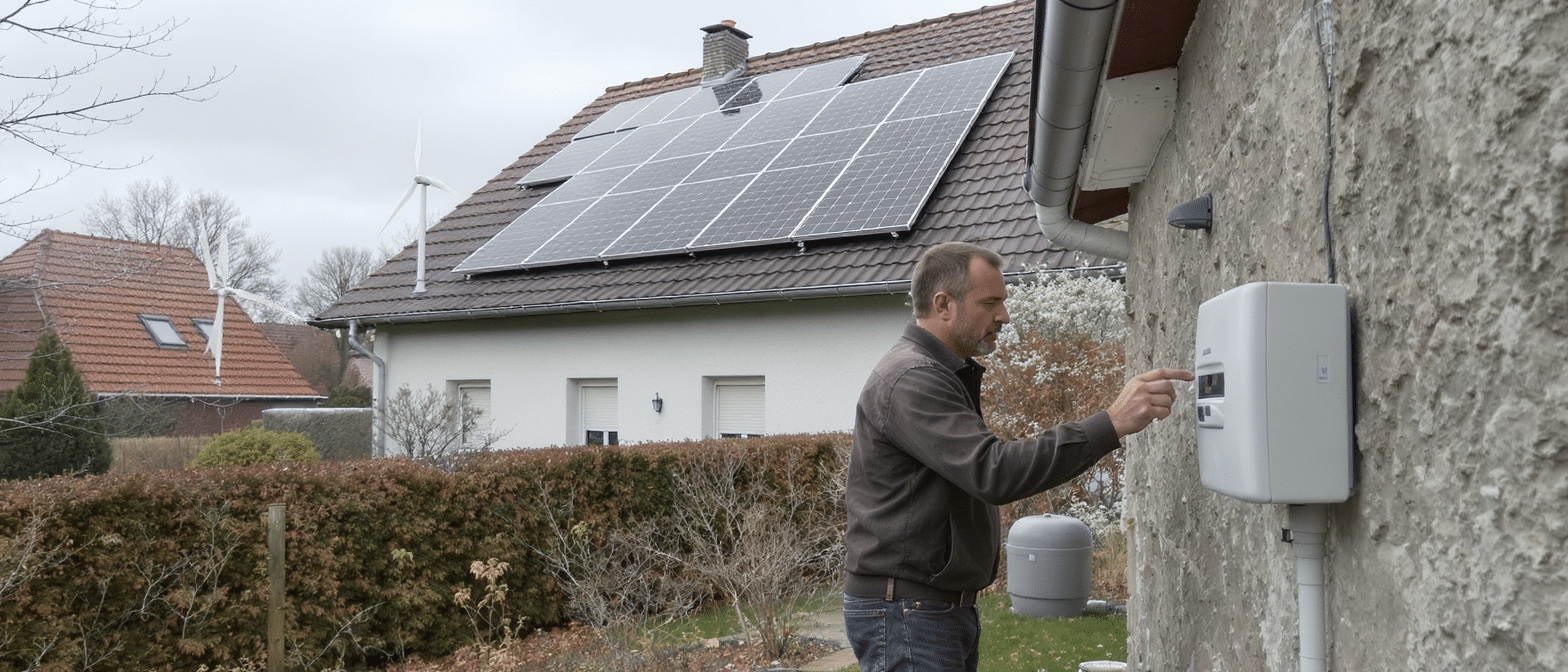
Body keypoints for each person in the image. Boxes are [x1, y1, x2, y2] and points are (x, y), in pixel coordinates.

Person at [843, 242, 1191, 672]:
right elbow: (995, 471)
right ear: (943, 305)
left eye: (1002, 302)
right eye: (990, 302)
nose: (1003, 316)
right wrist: (1111, 423)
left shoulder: (937, 373)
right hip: (907, 611)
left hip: (927, 608)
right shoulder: (913, 379)